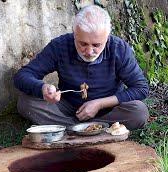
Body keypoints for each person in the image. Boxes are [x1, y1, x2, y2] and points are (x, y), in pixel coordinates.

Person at [14, 5, 149, 130]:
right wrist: (42, 88)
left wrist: (99, 104)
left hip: (108, 110)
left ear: (107, 38)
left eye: (96, 45)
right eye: (83, 43)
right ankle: (88, 129)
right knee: (25, 102)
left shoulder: (119, 49)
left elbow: (141, 88)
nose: (89, 52)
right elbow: (23, 75)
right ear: (74, 33)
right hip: (68, 108)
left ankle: (74, 128)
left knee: (139, 112)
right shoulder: (60, 46)